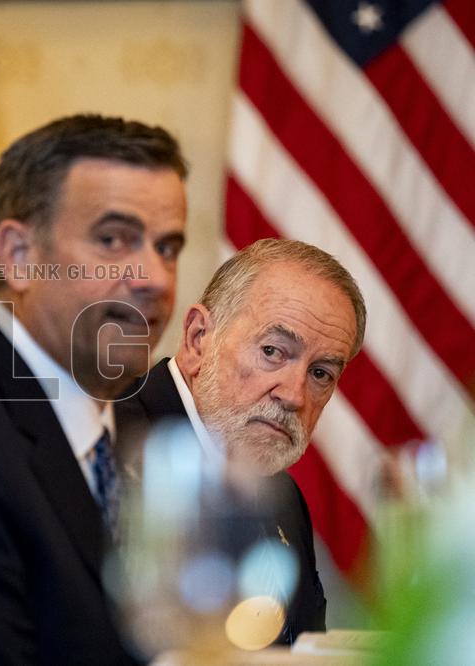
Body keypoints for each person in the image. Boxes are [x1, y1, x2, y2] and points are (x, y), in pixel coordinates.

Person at [0, 114, 189, 664]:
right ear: (19, 256)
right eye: (115, 240)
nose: (156, 279)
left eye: (167, 248)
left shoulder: (143, 427)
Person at [135, 238, 368, 644]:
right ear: (197, 339)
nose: (294, 395)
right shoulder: (108, 442)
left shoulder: (284, 499)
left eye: (320, 374)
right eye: (274, 351)